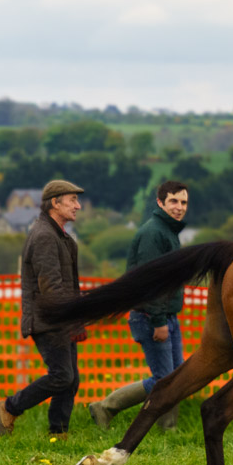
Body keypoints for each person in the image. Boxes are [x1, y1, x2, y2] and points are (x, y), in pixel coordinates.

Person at [87, 180, 189, 431]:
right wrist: (158, 321)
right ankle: (106, 407)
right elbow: (149, 282)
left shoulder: (168, 231)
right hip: (151, 316)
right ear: (160, 202)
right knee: (164, 379)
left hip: (167, 315)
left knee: (175, 378)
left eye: (183, 202)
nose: (179, 207)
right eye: (173, 201)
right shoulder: (153, 233)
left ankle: (169, 429)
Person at [0, 179, 87, 439]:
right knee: (62, 376)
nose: (78, 206)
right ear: (55, 203)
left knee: (70, 380)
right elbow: (51, 288)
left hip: (62, 318)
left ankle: (58, 433)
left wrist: (77, 317)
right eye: (72, 200)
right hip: (48, 319)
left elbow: (68, 286)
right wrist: (71, 315)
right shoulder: (45, 236)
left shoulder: (62, 238)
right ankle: (8, 408)